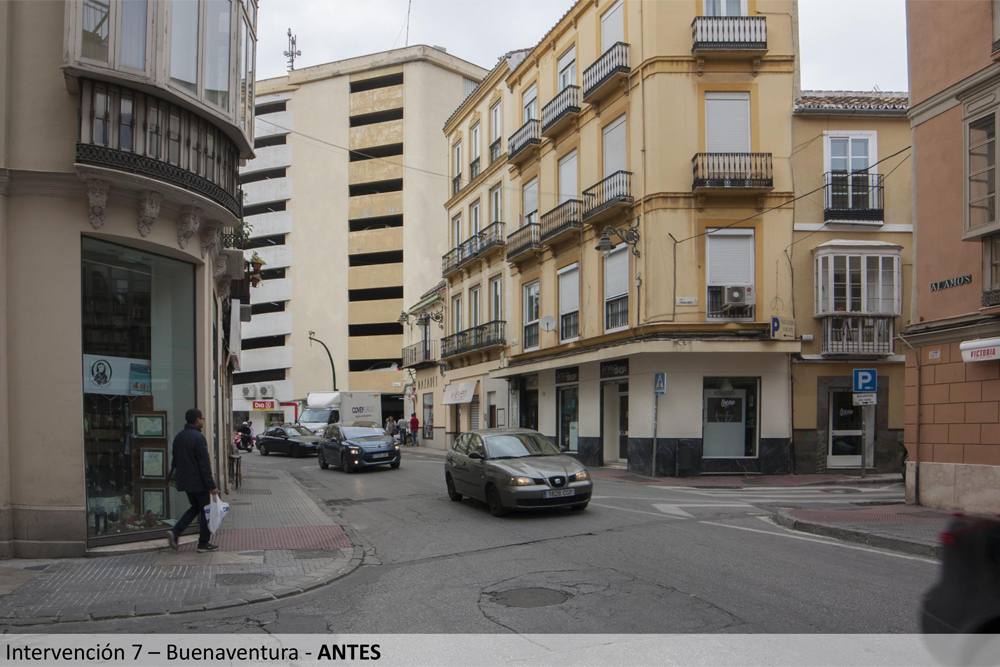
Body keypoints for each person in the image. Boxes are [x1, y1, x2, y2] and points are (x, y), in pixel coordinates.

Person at [166, 408, 219, 553]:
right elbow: (204, 464)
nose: (203, 421)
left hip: (185, 481)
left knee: (195, 507)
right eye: (202, 418)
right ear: (197, 420)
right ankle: (203, 543)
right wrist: (211, 485)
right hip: (199, 482)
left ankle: (175, 532)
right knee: (206, 511)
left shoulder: (179, 436)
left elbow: (175, 460)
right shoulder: (198, 438)